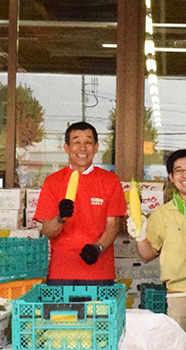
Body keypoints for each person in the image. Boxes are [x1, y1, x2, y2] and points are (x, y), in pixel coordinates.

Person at [35, 121, 127, 284]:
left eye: (88, 143)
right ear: (66, 147)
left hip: (100, 272)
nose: (82, 148)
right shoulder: (53, 182)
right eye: (76, 142)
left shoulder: (110, 181)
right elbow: (47, 231)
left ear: (96, 147)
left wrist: (98, 247)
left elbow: (113, 224)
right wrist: (60, 217)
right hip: (61, 273)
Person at [126, 148, 186, 333]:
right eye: (178, 170)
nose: (185, 175)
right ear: (171, 176)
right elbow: (147, 255)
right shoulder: (162, 214)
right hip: (180, 296)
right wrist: (141, 235)